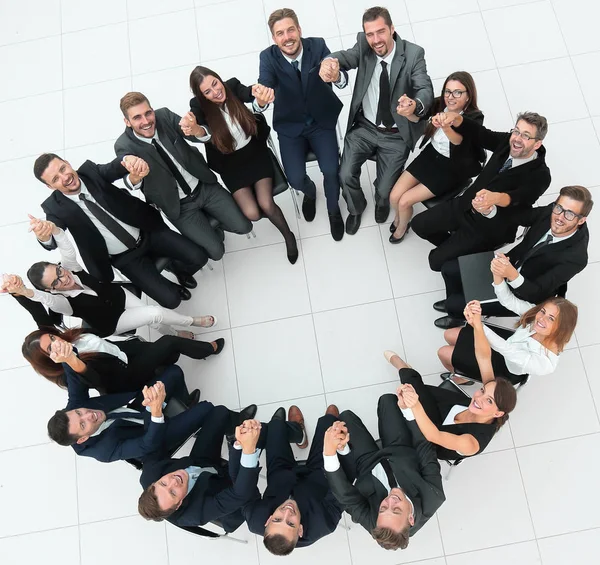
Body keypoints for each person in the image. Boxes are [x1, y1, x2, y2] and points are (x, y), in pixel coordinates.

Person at [33, 153, 207, 309]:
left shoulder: (90, 171)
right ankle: (174, 286)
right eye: (55, 179)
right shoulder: (54, 207)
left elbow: (114, 167)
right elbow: (53, 235)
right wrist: (45, 236)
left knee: (199, 257)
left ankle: (177, 269)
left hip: (147, 232)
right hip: (125, 258)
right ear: (50, 187)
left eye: (63, 169)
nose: (65, 178)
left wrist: (127, 160)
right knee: (171, 301)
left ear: (67, 162)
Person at [3, 217, 216, 338]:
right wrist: (25, 292)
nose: (63, 278)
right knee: (154, 313)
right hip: (113, 322)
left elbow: (67, 248)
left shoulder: (70, 268)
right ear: (51, 289)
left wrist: (55, 230)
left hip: (119, 296)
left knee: (151, 316)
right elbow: (45, 300)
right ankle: (192, 322)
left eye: (59, 271)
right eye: (56, 282)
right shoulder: (62, 303)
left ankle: (174, 334)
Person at [320, 6, 433, 234]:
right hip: (365, 127)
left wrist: (414, 105)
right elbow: (346, 57)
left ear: (392, 29)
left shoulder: (413, 54)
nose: (376, 40)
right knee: (345, 174)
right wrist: (329, 62)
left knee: (385, 189)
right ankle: (356, 208)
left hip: (396, 134)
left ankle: (381, 203)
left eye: (381, 32)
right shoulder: (364, 44)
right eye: (370, 34)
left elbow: (425, 89)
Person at [411, 111, 551, 283]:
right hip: (465, 205)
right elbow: (480, 133)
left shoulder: (541, 176)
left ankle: (465, 251)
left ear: (537, 144)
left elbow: (518, 199)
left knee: (435, 261)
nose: (517, 138)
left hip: (488, 227)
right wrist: (455, 118)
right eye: (516, 131)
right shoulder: (508, 142)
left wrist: (495, 198)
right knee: (418, 224)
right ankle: (456, 245)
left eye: (525, 135)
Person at [115, 92, 253, 261]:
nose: (146, 121)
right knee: (216, 253)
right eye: (137, 117)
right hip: (179, 206)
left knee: (245, 226)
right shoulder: (123, 145)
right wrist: (135, 176)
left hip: (203, 187)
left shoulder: (164, 115)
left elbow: (195, 134)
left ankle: (216, 219)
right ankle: (213, 229)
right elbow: (129, 178)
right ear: (127, 122)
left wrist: (197, 129)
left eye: (148, 113)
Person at [184, 66, 298, 264]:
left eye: (215, 84)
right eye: (207, 92)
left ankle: (288, 235)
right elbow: (202, 131)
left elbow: (252, 97)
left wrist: (260, 99)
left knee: (266, 204)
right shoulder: (198, 106)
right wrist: (196, 130)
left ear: (220, 79)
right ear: (201, 96)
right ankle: (268, 212)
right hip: (230, 165)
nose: (215, 91)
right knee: (252, 214)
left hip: (254, 153)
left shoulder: (233, 86)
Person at [436, 185, 593, 328]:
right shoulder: (550, 212)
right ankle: (459, 301)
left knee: (454, 304)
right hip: (508, 263)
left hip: (523, 291)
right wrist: (489, 210)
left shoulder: (576, 257)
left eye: (570, 214)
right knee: (448, 269)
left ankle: (458, 314)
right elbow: (518, 217)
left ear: (581, 220)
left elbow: (537, 292)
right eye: (559, 207)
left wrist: (511, 274)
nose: (559, 217)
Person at [45, 364, 252, 464]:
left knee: (174, 373)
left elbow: (72, 377)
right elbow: (147, 445)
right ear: (82, 438)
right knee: (207, 409)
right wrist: (155, 411)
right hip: (154, 437)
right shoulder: (103, 451)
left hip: (138, 407)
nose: (88, 415)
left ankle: (184, 404)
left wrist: (66, 356)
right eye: (83, 424)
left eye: (80, 412)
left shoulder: (73, 411)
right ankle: (235, 427)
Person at [258, 8, 346, 240]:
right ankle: (310, 192)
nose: (287, 37)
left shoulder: (317, 46)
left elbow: (335, 71)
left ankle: (334, 210)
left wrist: (336, 75)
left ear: (299, 30)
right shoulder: (267, 58)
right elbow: (265, 85)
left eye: (290, 30)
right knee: (295, 179)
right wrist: (261, 100)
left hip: (320, 122)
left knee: (331, 170)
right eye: (280, 33)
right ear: (274, 38)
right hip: (290, 128)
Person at [323, 401, 445, 550]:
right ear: (411, 518)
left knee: (345, 418)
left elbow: (345, 497)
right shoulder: (434, 496)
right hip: (400, 449)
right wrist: (409, 411)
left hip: (367, 464)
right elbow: (425, 448)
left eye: (383, 508)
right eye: (397, 509)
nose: (390, 500)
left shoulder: (376, 524)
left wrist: (331, 453)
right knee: (387, 401)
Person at [388, 71, 485, 243]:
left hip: (451, 167)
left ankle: (402, 226)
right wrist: (407, 111)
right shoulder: (441, 103)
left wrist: (446, 126)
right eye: (448, 91)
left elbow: (459, 142)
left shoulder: (475, 117)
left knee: (404, 202)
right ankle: (400, 218)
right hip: (431, 155)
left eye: (457, 92)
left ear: (468, 96)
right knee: (394, 196)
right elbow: (418, 117)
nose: (451, 97)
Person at [232, 405, 343, 555]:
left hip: (281, 476)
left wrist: (242, 446)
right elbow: (343, 489)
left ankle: (299, 433)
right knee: (329, 423)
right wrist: (336, 452)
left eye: (277, 519)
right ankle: (327, 421)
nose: (287, 512)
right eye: (291, 523)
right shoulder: (324, 524)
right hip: (319, 477)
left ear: (267, 521)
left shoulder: (254, 519)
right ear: (300, 529)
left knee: (275, 426)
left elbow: (240, 483)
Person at [382, 345, 516, 461]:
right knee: (413, 390)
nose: (478, 398)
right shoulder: (488, 393)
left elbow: (434, 435)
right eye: (482, 390)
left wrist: (415, 405)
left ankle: (406, 371)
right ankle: (403, 367)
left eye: (489, 400)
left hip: (435, 441)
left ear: (498, 413)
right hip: (444, 407)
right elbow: (483, 357)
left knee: (409, 397)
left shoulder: (471, 443)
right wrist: (477, 325)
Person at [137, 409, 261, 533]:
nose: (173, 481)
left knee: (219, 413)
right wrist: (246, 449)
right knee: (247, 474)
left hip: (200, 463)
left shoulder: (149, 474)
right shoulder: (196, 513)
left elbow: (151, 444)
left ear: (154, 482)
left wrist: (153, 409)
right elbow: (240, 494)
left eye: (163, 483)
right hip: (227, 491)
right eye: (173, 492)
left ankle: (239, 426)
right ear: (179, 504)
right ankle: (245, 439)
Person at [439, 281, 578, 385]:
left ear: (561, 327)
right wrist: (498, 279)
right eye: (543, 311)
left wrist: (478, 324)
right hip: (506, 343)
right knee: (449, 334)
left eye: (551, 318)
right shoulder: (536, 316)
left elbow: (506, 349)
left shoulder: (545, 363)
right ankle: (463, 369)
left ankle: (463, 377)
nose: (541, 318)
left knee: (443, 352)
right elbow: (509, 301)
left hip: (504, 367)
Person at [22, 325, 224, 395]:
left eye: (53, 338)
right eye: (50, 348)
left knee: (170, 354)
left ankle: (166, 369)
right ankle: (207, 350)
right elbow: (93, 379)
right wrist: (69, 359)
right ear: (48, 360)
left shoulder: (71, 336)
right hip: (124, 376)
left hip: (123, 352)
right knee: (169, 342)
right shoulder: (67, 374)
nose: (57, 343)